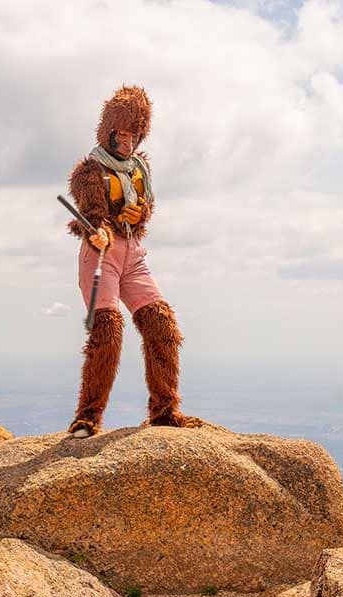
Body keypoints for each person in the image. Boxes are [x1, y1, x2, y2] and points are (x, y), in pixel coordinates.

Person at [65, 85, 203, 438]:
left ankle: (165, 411)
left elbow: (145, 210)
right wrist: (97, 230)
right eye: (122, 135)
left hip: (133, 252)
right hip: (101, 257)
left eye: (134, 136)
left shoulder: (140, 168)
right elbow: (90, 216)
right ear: (109, 131)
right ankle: (87, 418)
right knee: (107, 331)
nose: (127, 143)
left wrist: (138, 214)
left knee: (161, 325)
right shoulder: (90, 171)